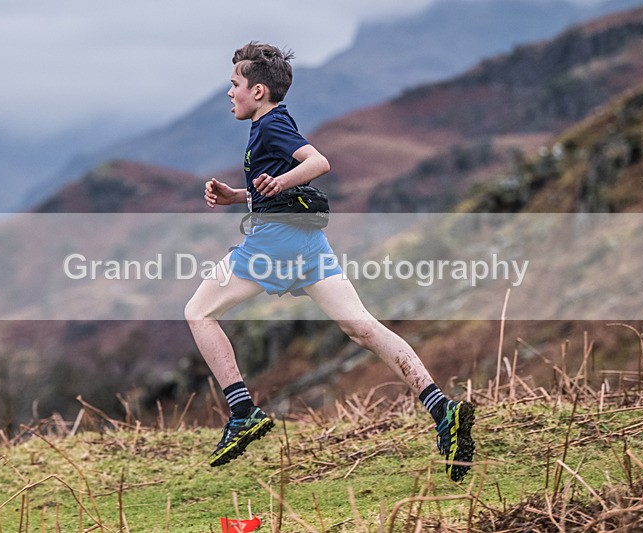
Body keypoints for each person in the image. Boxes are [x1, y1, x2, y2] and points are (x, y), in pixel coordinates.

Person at [184, 42, 476, 481]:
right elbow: (274, 185)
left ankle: (242, 409)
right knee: (362, 327)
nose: (229, 93)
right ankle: (443, 410)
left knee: (198, 312)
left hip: (274, 243)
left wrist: (279, 181)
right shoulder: (274, 125)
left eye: (234, 85)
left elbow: (318, 162)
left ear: (258, 90)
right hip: (308, 244)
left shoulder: (270, 127)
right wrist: (238, 196)